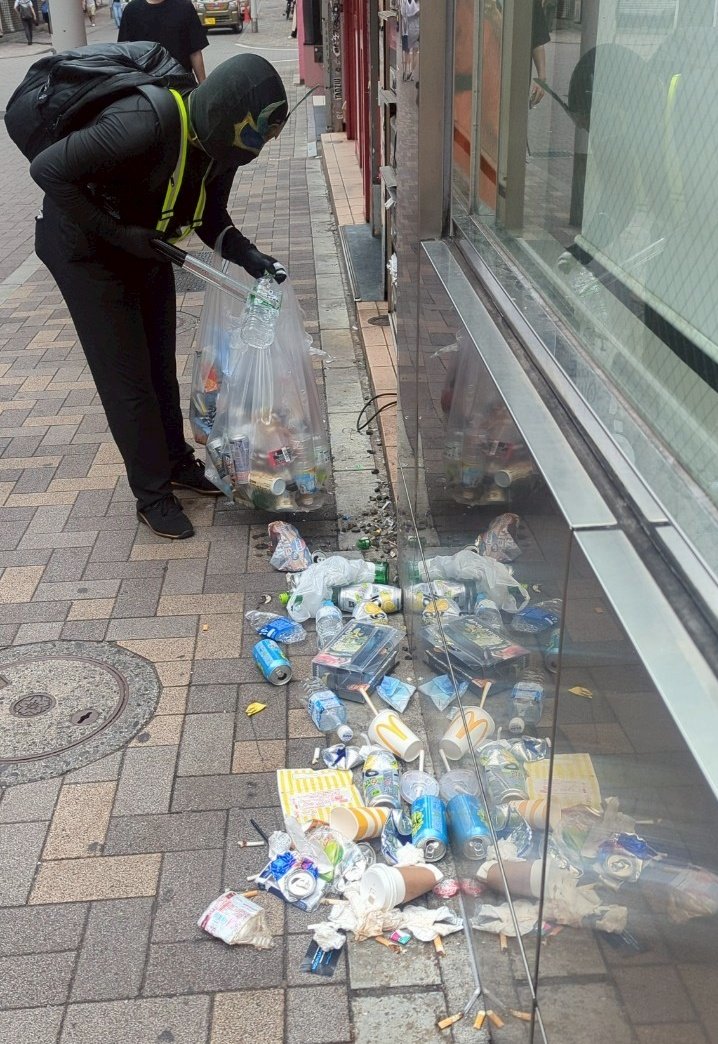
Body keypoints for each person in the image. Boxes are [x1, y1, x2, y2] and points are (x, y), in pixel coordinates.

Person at [29, 53, 289, 539]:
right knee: (128, 379)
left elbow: (211, 216)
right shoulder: (140, 124)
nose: (258, 147)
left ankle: (175, 464)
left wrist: (249, 255)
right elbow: (48, 170)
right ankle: (151, 494)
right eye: (258, 134)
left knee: (158, 367)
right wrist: (117, 232)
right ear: (232, 116)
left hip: (145, 246)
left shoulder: (222, 148)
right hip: (86, 253)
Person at [119, 0, 208, 83]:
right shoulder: (131, 10)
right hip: (145, 88)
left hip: (181, 85)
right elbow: (125, 54)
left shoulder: (185, 7)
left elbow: (195, 52)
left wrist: (203, 85)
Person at [399, 0, 419, 82]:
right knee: (415, 52)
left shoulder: (403, 1)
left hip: (406, 30)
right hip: (416, 29)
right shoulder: (418, 3)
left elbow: (402, 13)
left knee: (406, 52)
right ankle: (412, 73)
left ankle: (405, 71)